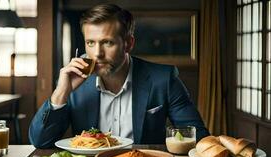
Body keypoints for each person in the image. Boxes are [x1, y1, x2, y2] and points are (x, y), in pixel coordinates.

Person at [29, 4, 209, 148]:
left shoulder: (164, 79)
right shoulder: (73, 82)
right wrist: (61, 94)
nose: (97, 53)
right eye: (90, 43)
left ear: (128, 44)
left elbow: (197, 137)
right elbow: (40, 142)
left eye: (107, 42)